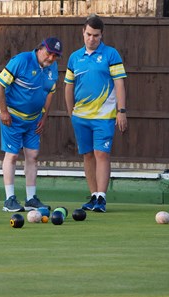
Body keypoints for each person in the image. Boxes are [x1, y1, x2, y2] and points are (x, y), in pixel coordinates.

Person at [64, 15, 127, 213]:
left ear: (102, 35)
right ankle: (93, 196)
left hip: (104, 116)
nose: (92, 39)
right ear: (83, 32)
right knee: (88, 155)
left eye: (96, 36)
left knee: (102, 153)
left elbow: (119, 83)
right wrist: (70, 112)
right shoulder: (74, 57)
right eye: (89, 34)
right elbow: (68, 86)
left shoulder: (111, 54)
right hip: (80, 116)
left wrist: (121, 111)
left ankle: (101, 197)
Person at [0, 37, 62, 212]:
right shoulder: (21, 61)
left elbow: (50, 92)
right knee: (12, 155)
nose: (51, 59)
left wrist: (44, 116)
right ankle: (9, 200)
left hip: (34, 119)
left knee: (33, 156)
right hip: (13, 117)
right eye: (49, 54)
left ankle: (31, 199)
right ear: (40, 48)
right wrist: (3, 111)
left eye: (55, 56)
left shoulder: (52, 67)